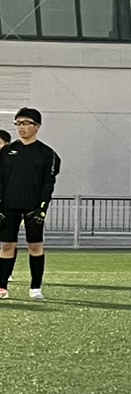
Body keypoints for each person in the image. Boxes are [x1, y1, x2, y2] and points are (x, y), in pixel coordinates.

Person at [0, 108, 61, 301]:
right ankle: (2, 287)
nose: (21, 127)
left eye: (26, 123)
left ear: (37, 126)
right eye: (18, 123)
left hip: (33, 207)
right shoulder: (6, 151)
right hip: (9, 206)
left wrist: (42, 208)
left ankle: (35, 287)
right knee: (7, 245)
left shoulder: (47, 154)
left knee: (35, 246)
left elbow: (48, 183)